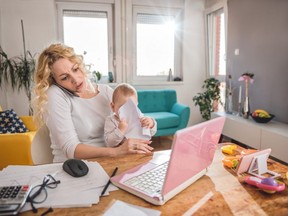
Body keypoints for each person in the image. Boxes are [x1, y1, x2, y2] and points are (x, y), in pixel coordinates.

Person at [32, 43, 153, 163]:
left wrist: (148, 124)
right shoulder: (55, 94)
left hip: (110, 163)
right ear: (56, 82)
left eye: (75, 69)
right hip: (75, 168)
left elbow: (136, 122)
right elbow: (71, 148)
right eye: (64, 78)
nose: (75, 79)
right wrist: (117, 152)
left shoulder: (106, 91)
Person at [104, 83, 157, 147]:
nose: (127, 112)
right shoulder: (111, 120)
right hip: (121, 154)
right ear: (113, 107)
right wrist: (120, 130)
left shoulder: (139, 118)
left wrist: (151, 123)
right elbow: (109, 143)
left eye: (132, 107)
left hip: (141, 151)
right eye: (122, 108)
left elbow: (152, 133)